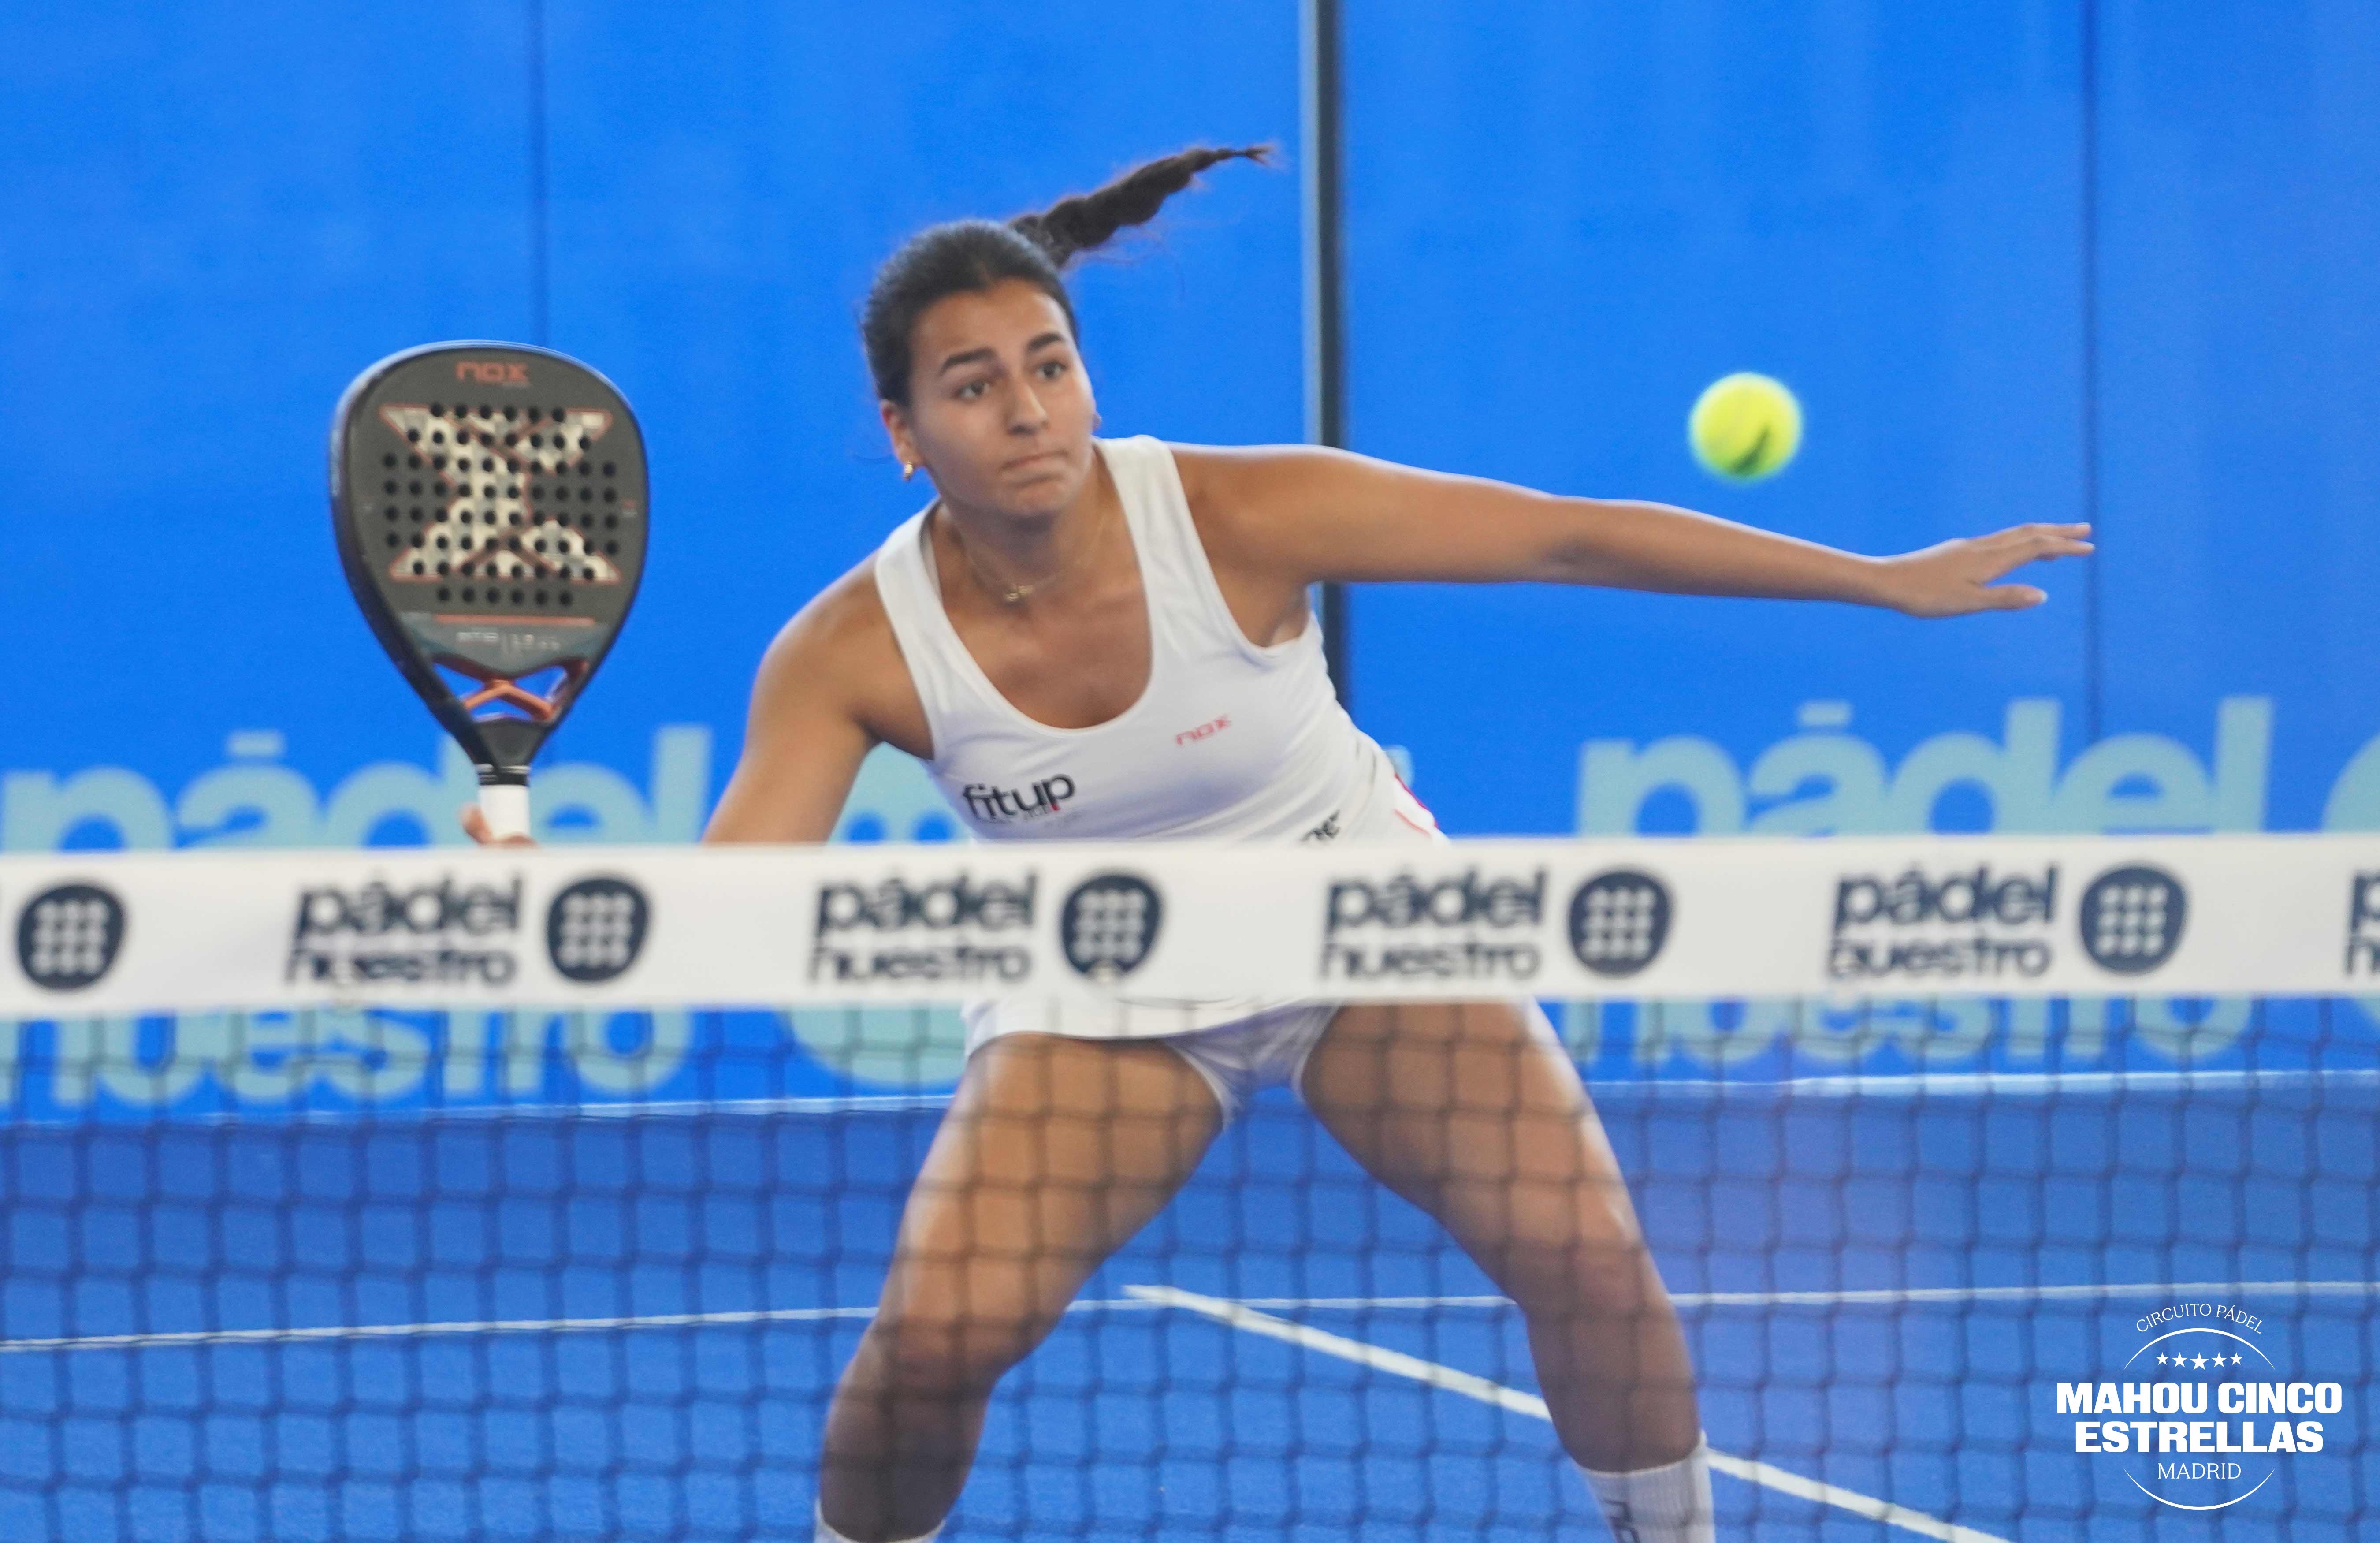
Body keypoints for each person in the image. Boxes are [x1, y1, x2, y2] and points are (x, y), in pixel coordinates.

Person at [468, 144, 2090, 1543]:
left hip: (1356, 918)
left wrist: (1878, 580)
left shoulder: (1238, 514)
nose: (1028, 410)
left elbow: (1563, 536)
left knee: (1587, 1253)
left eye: (1050, 364)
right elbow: (734, 912)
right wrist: (553, 913)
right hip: (1099, 988)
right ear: (903, 430)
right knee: (933, 1340)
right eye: (973, 385)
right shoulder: (853, 647)